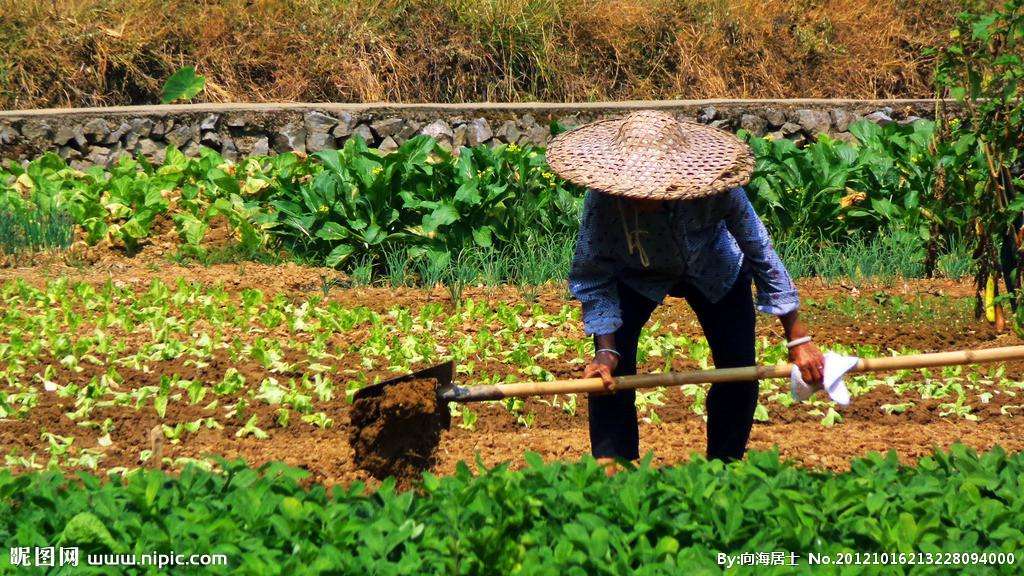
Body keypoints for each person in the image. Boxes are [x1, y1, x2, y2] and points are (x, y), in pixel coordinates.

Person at [545, 110, 825, 469]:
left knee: (738, 370)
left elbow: (759, 249)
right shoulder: (604, 200)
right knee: (608, 378)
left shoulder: (717, 186)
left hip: (715, 268)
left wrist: (797, 338)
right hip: (636, 272)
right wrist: (606, 352)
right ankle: (613, 468)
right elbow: (593, 272)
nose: (639, 195)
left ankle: (723, 466)